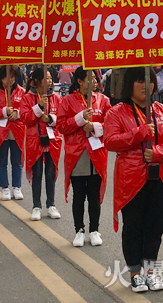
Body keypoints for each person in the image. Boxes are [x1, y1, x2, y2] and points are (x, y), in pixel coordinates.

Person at [104, 67, 163, 293]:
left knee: (154, 227)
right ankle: (135, 273)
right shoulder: (117, 112)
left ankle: (149, 271)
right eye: (139, 80)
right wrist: (138, 133)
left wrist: (159, 153)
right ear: (130, 84)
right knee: (134, 226)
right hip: (131, 179)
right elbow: (110, 141)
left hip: (159, 177)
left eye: (148, 81)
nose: (144, 86)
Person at [57, 67, 111, 247]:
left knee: (94, 196)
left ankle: (94, 230)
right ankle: (79, 230)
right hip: (77, 154)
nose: (95, 81)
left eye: (96, 78)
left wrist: (95, 127)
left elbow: (111, 125)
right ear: (80, 81)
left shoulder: (103, 100)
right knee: (79, 195)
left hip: (97, 153)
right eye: (91, 78)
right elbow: (62, 126)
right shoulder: (68, 101)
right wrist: (79, 119)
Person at [20, 68, 63, 221]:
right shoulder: (27, 98)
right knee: (37, 173)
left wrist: (51, 119)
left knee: (50, 174)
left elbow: (63, 120)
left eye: (51, 78)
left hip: (53, 141)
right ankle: (36, 206)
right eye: (46, 78)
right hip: (35, 141)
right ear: (36, 81)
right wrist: (38, 107)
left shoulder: (57, 98)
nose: (49, 81)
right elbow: (25, 118)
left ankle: (51, 204)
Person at [0, 66, 25, 200]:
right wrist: (3, 112)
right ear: (1, 78)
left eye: (13, 77)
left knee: (17, 161)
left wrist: (17, 113)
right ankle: (5, 187)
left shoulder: (21, 92)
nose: (10, 80)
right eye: (8, 77)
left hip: (16, 129)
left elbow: (26, 110)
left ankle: (17, 187)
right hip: (0, 130)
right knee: (1, 161)